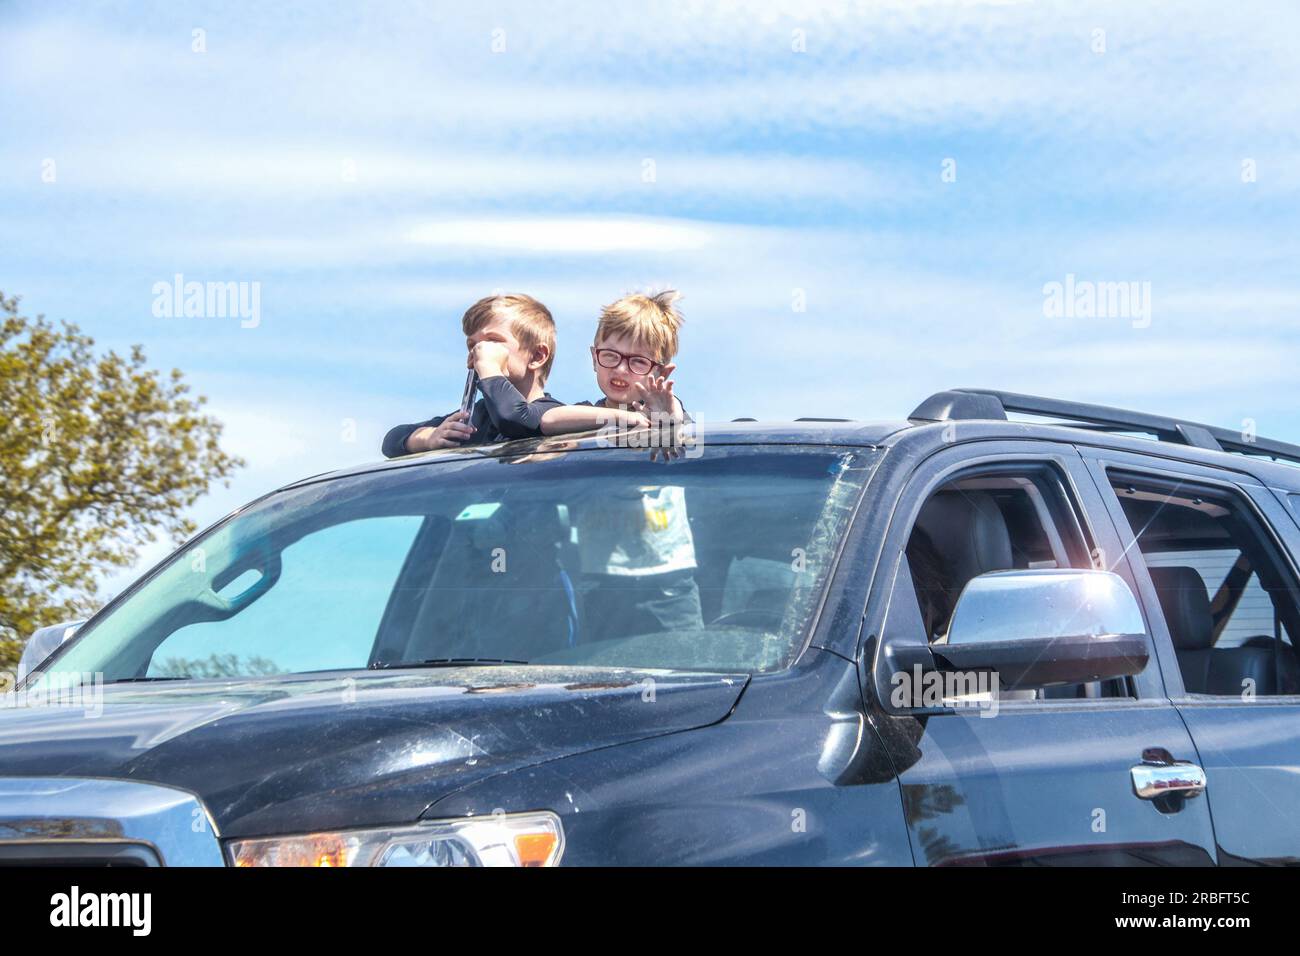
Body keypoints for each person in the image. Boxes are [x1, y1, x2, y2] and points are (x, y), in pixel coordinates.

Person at [381, 294, 576, 457]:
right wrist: (428, 438)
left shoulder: (551, 413)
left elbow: (513, 419)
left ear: (537, 356)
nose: (479, 351)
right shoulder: (476, 419)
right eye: (472, 345)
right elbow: (392, 440)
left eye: (493, 341)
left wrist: (490, 368)